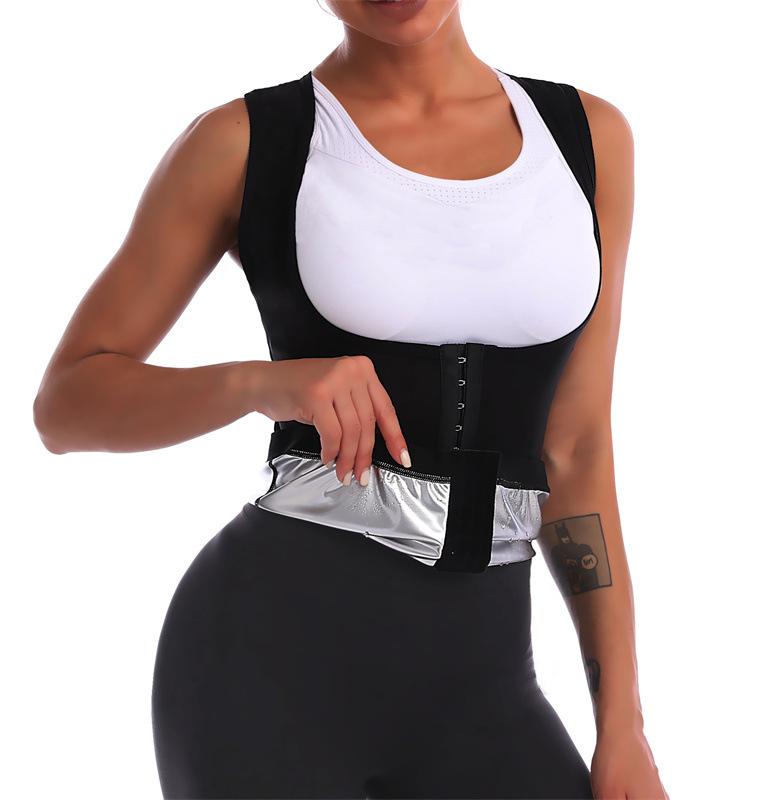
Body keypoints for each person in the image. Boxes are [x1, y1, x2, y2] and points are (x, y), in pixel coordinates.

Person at [32, 1, 668, 798]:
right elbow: (66, 405)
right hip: (266, 677)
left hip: (485, 687)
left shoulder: (585, 139)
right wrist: (256, 384)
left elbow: (575, 452)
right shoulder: (249, 142)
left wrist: (622, 724)